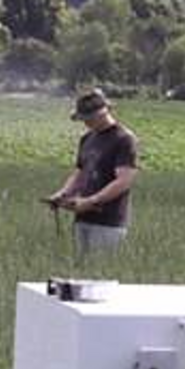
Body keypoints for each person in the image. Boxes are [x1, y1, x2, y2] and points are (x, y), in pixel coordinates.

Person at [44, 88, 140, 257]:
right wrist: (63, 194)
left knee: (101, 274)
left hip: (108, 223)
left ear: (102, 114)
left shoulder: (124, 139)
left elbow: (124, 180)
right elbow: (80, 173)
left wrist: (92, 201)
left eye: (88, 119)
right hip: (82, 219)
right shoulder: (87, 139)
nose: (85, 123)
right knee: (82, 272)